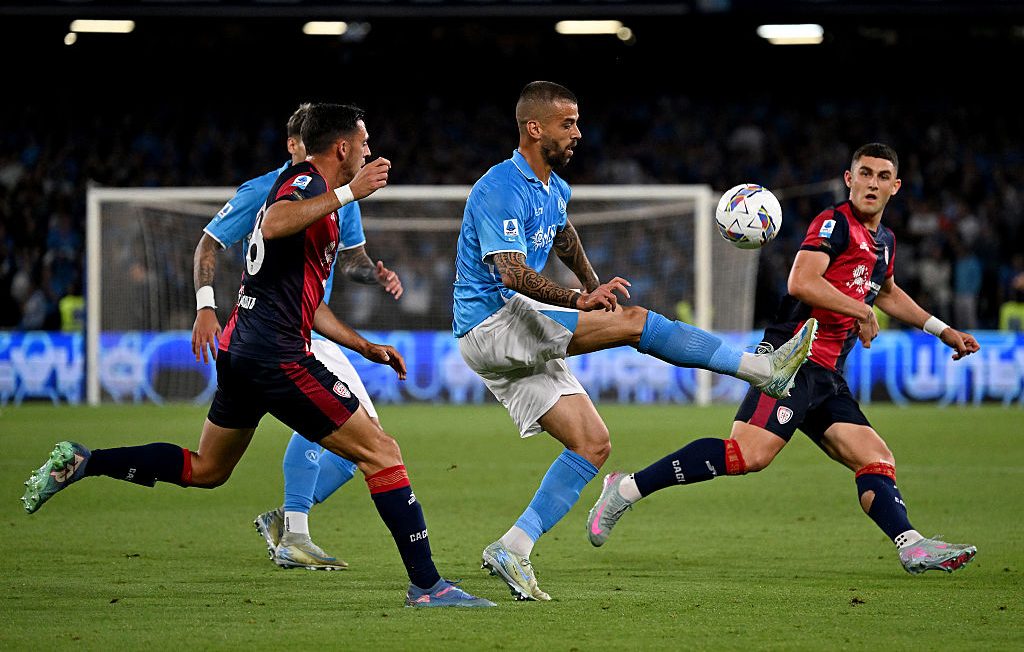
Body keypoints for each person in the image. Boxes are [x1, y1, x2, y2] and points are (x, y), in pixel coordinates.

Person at [23, 103, 494, 608]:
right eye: (364, 142)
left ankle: (85, 461)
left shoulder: (313, 196)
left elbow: (307, 302)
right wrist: (349, 192)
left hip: (244, 349)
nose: (369, 151)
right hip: (277, 355)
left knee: (208, 469)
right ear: (342, 148)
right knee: (382, 453)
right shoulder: (306, 185)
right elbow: (273, 223)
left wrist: (364, 346)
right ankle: (428, 586)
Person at [453, 81, 817, 601]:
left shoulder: (554, 188)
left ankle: (513, 547)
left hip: (511, 331)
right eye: (567, 124)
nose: (578, 133)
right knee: (636, 322)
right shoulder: (500, 187)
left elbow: (563, 235)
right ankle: (761, 370)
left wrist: (591, 283)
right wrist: (579, 299)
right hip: (492, 322)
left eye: (577, 122)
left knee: (592, 443)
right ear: (534, 128)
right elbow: (509, 271)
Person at [586, 142, 980, 576]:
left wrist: (943, 330)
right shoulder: (835, 223)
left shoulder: (883, 241)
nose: (872, 183)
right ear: (849, 179)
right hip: (790, 363)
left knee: (875, 457)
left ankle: (912, 546)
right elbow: (801, 281)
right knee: (748, 455)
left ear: (896, 186)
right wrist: (860, 310)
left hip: (828, 375)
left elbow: (885, 292)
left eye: (882, 176)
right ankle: (626, 488)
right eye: (865, 173)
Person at [191, 102, 403, 571]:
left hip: (310, 323)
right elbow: (210, 242)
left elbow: (351, 259)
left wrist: (374, 273)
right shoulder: (267, 191)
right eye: (300, 144)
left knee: (360, 446)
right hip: (281, 329)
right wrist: (206, 305)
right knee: (369, 442)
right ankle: (295, 529)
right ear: (295, 145)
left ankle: (290, 524)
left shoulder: (341, 190)